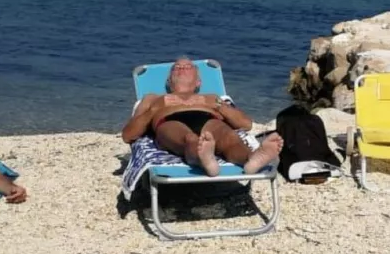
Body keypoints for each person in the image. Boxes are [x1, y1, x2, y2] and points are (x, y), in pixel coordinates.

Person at [120, 57, 282, 176]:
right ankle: (204, 159)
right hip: (169, 121)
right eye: (177, 67)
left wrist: (217, 105)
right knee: (190, 139)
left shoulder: (212, 98)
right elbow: (128, 135)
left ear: (198, 82)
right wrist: (155, 110)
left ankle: (252, 158)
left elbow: (246, 124)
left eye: (188, 66)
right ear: (169, 81)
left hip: (209, 119)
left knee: (230, 137)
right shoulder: (152, 99)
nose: (182, 67)